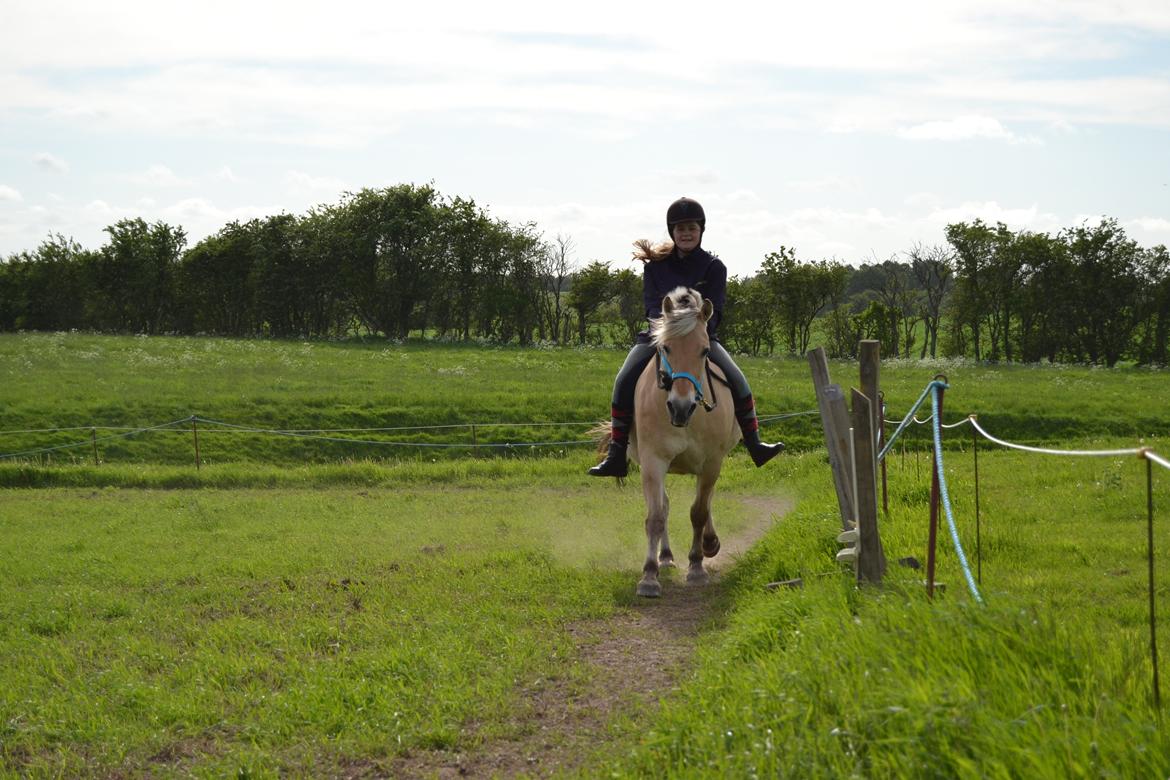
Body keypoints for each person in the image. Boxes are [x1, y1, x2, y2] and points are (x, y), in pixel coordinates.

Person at [589, 197, 784, 477]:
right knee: (623, 380)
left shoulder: (714, 267)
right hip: (660, 337)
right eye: (680, 228)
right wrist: (668, 328)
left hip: (701, 339)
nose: (686, 233)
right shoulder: (655, 267)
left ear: (701, 230)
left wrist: (696, 329)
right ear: (672, 232)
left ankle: (754, 444)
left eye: (692, 227)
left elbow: (714, 311)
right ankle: (617, 454)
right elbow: (652, 308)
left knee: (739, 379)